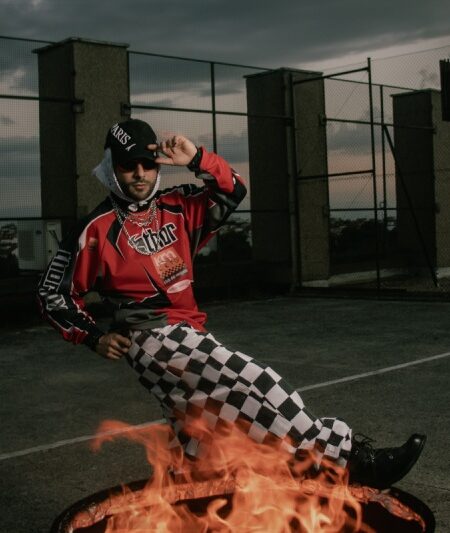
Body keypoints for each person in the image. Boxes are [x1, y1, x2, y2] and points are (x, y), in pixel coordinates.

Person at [38, 118, 425, 489]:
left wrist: (196, 158)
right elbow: (52, 292)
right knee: (256, 383)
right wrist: (93, 337)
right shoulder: (95, 228)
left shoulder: (178, 205)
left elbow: (233, 189)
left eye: (147, 163)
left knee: (200, 437)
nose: (139, 174)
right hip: (151, 337)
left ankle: (189, 497)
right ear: (111, 167)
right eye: (127, 166)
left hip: (190, 329)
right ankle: (350, 461)